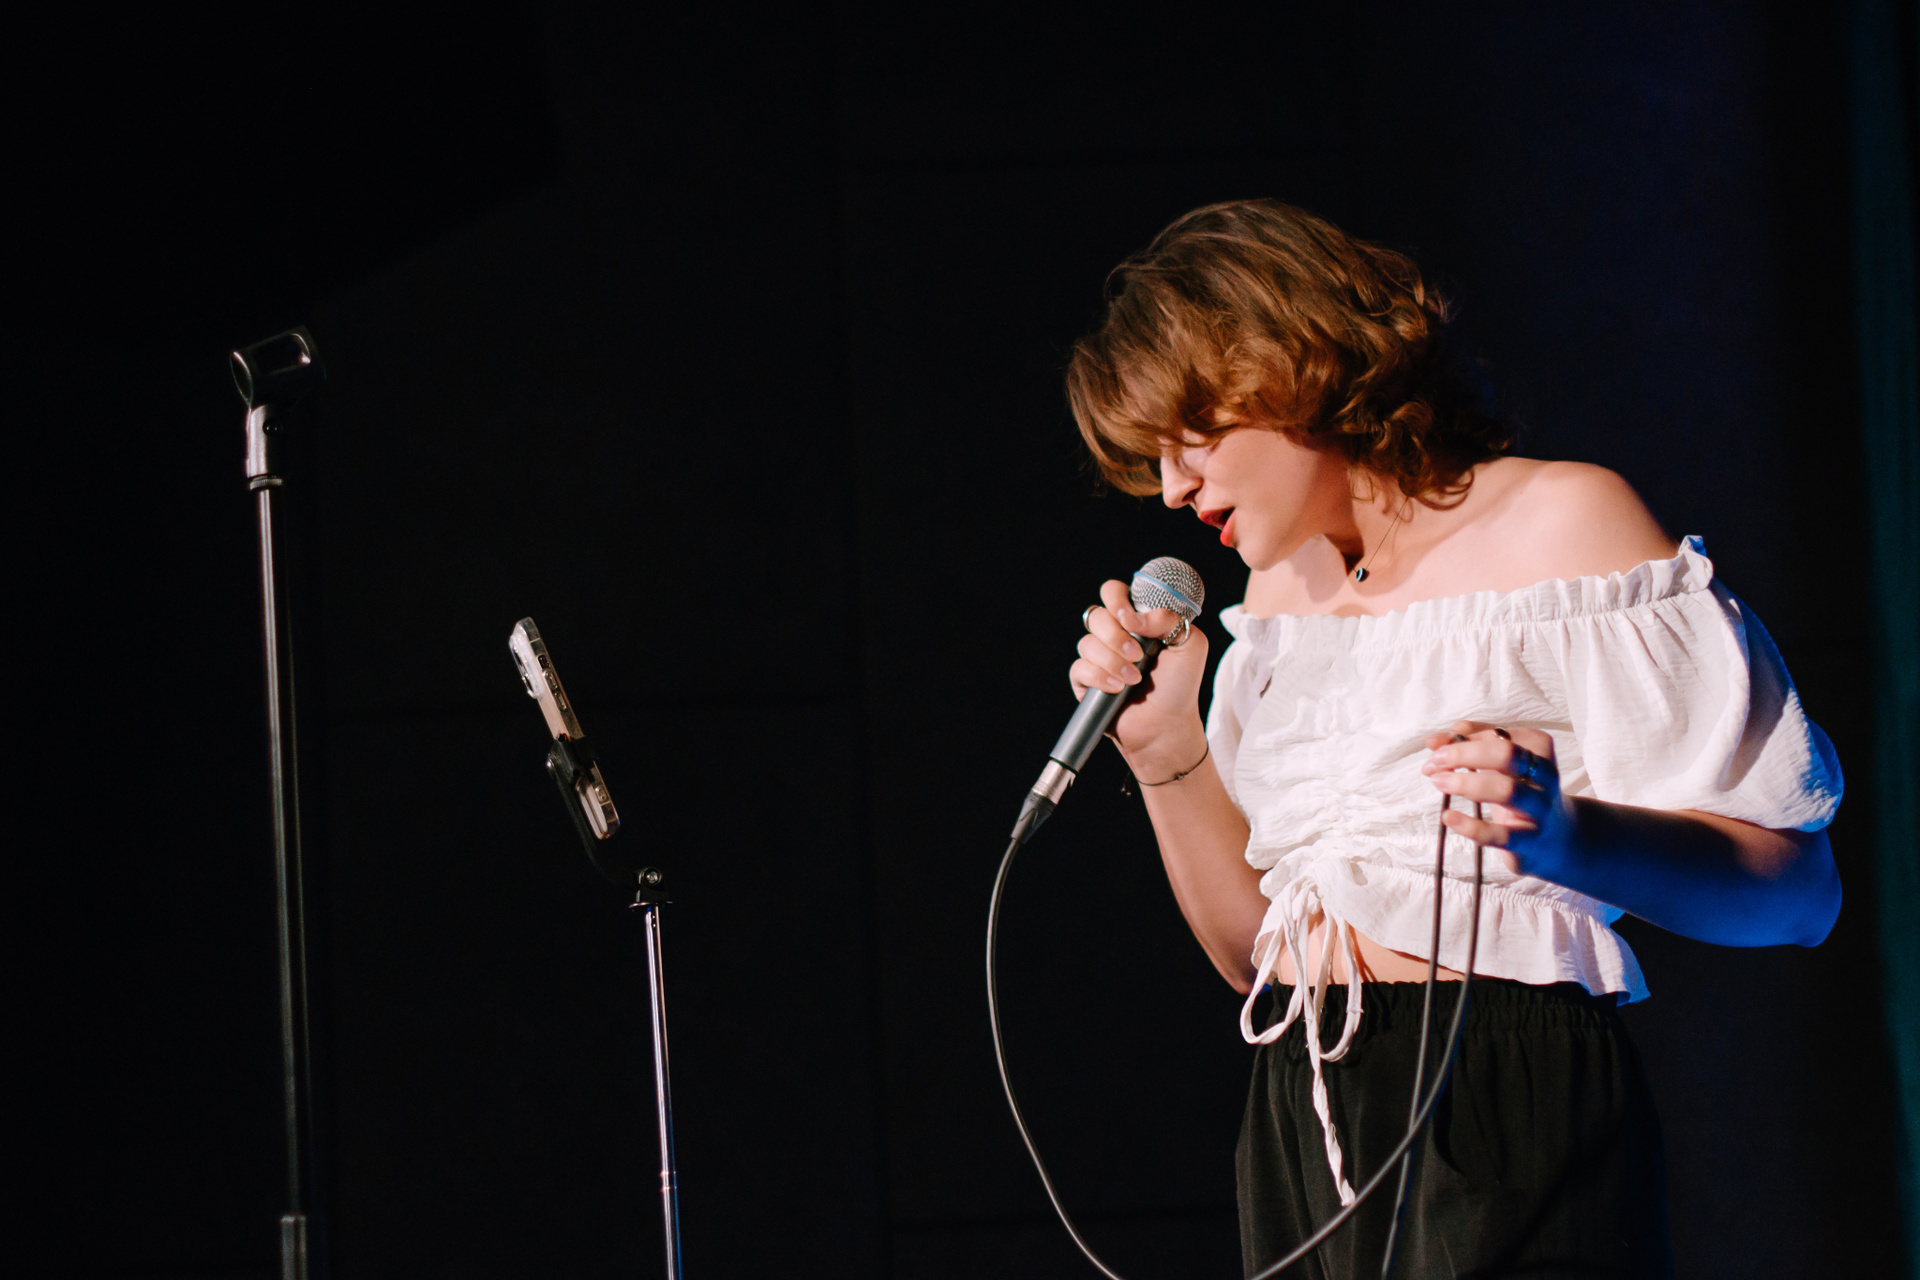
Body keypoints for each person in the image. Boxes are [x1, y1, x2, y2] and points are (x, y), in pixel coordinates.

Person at [1062, 199, 1843, 1278]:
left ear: (1289, 363)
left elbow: (1800, 894)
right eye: (1153, 456)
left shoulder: (1564, 523)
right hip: (1302, 1114)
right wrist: (1168, 757)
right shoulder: (1275, 603)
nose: (1171, 486)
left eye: (1188, 436)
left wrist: (1572, 839)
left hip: (1501, 1088)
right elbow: (1255, 961)